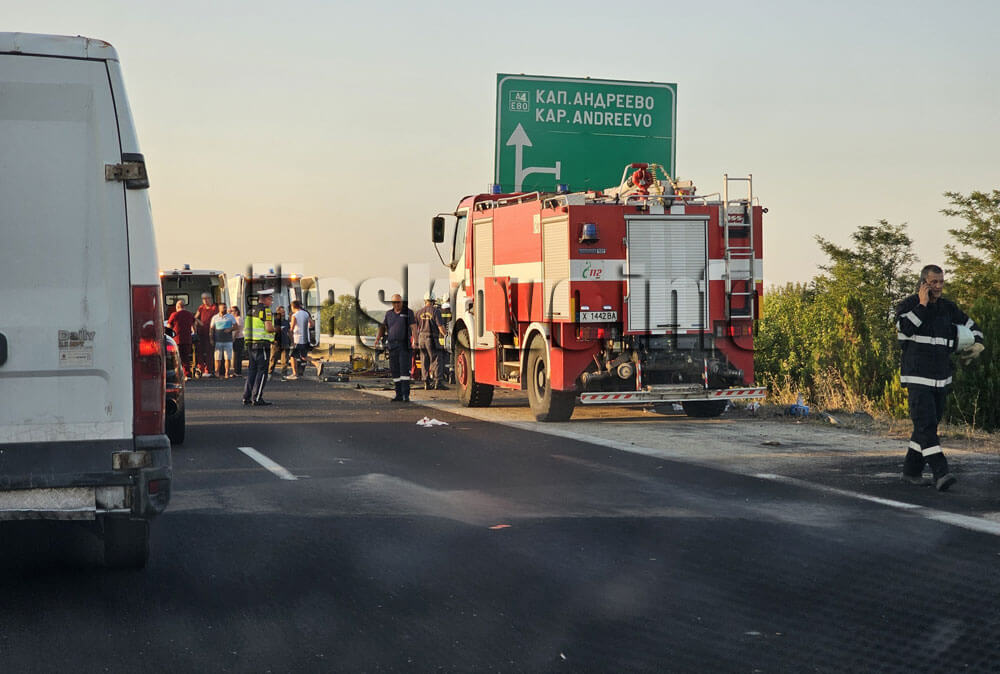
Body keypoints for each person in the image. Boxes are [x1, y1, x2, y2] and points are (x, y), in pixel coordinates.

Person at [896, 264, 985, 491]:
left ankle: (911, 471)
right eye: (933, 282)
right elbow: (905, 330)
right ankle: (941, 472)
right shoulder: (908, 306)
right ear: (923, 284)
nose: (938, 286)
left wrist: (978, 343)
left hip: (941, 379)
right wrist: (922, 304)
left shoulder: (948, 308)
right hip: (918, 379)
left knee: (925, 428)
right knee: (926, 427)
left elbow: (972, 326)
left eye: (941, 282)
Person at [375, 293, 417, 402]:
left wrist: (415, 340)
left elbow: (414, 327)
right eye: (394, 302)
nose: (396, 304)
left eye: (398, 302)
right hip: (392, 346)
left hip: (404, 346)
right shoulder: (389, 314)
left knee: (404, 371)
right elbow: (383, 327)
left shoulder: (408, 312)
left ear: (401, 302)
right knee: (395, 371)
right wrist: (378, 338)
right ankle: (398, 394)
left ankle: (405, 395)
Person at [242, 289, 276, 406]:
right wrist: (278, 330)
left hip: (251, 344)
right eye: (270, 299)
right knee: (262, 372)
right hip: (262, 344)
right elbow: (269, 328)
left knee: (252, 371)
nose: (271, 302)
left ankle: (246, 397)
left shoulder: (250, 311)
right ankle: (257, 398)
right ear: (265, 299)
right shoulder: (266, 311)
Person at [416, 292, 449, 390]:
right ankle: (438, 382)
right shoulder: (436, 311)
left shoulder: (418, 312)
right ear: (434, 301)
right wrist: (447, 336)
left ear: (425, 301)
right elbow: (440, 327)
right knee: (436, 359)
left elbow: (414, 327)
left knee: (424, 360)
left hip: (421, 338)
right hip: (432, 338)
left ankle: (426, 382)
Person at [166, 299, 196, 378]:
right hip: (187, 340)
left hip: (176, 340)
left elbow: (169, 327)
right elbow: (194, 326)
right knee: (186, 358)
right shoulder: (190, 314)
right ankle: (187, 374)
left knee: (175, 358)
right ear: (184, 306)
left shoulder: (174, 315)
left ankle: (177, 375)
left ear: (177, 307)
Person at [193, 292, 217, 377]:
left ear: (211, 298)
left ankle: (209, 369)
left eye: (207, 298)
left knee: (209, 351)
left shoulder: (214, 308)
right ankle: (201, 368)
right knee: (199, 351)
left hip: (210, 333)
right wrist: (197, 323)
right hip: (201, 332)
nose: (205, 300)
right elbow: (195, 317)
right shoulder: (201, 307)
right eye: (203, 299)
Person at [210, 302, 236, 379]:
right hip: (218, 341)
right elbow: (211, 329)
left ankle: (226, 373)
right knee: (217, 358)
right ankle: (217, 372)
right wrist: (211, 339)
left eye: (225, 307)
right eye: (223, 308)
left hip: (228, 341)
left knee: (227, 358)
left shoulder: (230, 317)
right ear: (219, 308)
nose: (224, 309)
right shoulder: (215, 317)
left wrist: (230, 329)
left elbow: (236, 326)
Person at [288, 300, 313, 380]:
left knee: (292, 356)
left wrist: (292, 340)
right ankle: (317, 363)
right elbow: (312, 324)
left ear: (293, 307)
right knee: (303, 356)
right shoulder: (306, 313)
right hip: (306, 339)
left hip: (297, 339)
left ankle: (295, 374)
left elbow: (291, 329)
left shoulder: (295, 315)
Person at [268, 305, 291, 376]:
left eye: (284, 312)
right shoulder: (274, 321)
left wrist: (291, 341)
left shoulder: (286, 322)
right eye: (282, 312)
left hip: (285, 342)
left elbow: (289, 332)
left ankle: (284, 374)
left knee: (285, 361)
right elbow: (270, 331)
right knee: (273, 359)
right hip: (276, 343)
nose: (283, 313)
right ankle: (269, 373)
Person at [230, 306, 245, 376]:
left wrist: (233, 338)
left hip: (238, 338)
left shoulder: (238, 319)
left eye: (232, 311)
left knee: (237, 355)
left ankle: (237, 371)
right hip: (238, 338)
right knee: (236, 355)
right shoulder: (235, 319)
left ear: (236, 312)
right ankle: (237, 371)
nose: (231, 312)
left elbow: (237, 329)